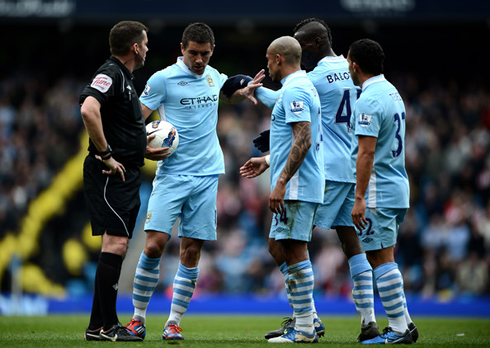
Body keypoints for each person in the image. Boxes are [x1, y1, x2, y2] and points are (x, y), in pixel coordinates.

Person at [124, 22, 263, 341]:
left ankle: (173, 322)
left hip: (205, 176)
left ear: (211, 51)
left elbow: (231, 96)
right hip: (172, 174)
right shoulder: (163, 79)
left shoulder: (216, 77)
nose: (199, 59)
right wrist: (141, 147)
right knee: (155, 244)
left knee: (191, 251)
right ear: (182, 50)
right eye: (193, 53)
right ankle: (138, 319)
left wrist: (242, 93)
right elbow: (137, 118)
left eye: (204, 53)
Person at [242, 18, 379, 342]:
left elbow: (292, 114)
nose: (298, 54)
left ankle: (307, 319)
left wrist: (254, 90)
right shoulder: (353, 70)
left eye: (301, 47)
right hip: (352, 167)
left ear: (313, 44)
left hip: (321, 169)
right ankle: (368, 321)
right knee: (353, 245)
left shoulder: (310, 78)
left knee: (283, 243)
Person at [242, 35, 324, 343]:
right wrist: (267, 160)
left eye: (267, 59)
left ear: (278, 59)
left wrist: (280, 182)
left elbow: (302, 139)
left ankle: (304, 329)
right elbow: (283, 111)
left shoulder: (297, 90)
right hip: (296, 182)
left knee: (294, 249)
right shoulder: (294, 89)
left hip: (298, 184)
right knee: (277, 247)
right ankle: (309, 316)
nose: (266, 65)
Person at [79, 20, 149, 342]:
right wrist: (107, 154)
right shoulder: (111, 73)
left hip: (127, 173)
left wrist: (141, 147)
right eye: (145, 43)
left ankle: (98, 326)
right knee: (116, 244)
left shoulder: (126, 79)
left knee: (116, 247)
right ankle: (106, 326)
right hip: (111, 173)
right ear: (135, 47)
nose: (147, 48)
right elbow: (88, 109)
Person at [348, 38, 418, 344]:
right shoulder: (392, 92)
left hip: (378, 189)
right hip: (396, 185)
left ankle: (401, 329)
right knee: (383, 255)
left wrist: (360, 197)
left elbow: (366, 153)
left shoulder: (369, 99)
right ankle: (404, 324)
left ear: (354, 65)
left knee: (380, 258)